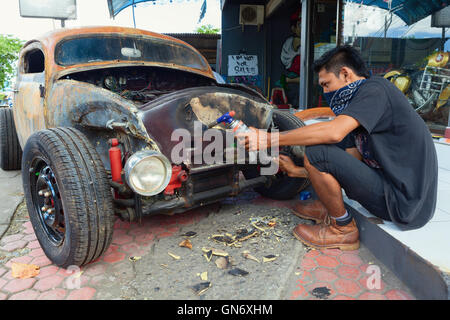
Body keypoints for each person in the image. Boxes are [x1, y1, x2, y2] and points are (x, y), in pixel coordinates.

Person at [239, 45, 438, 251]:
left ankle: (343, 228)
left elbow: (333, 131)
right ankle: (328, 206)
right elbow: (350, 162)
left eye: (326, 84)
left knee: (319, 151)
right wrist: (297, 171)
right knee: (327, 144)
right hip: (391, 192)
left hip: (405, 204)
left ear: (345, 74)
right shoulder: (357, 110)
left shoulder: (376, 89)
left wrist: (268, 139)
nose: (325, 92)